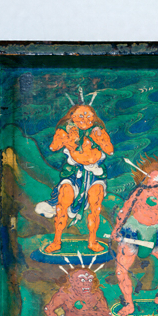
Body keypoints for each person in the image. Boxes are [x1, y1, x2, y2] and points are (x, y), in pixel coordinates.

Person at [110, 156, 158, 313]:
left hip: (157, 233)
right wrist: (117, 229)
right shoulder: (140, 193)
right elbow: (125, 210)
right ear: (148, 182)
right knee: (121, 269)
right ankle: (128, 304)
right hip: (133, 232)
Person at [36, 104, 114, 253]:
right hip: (73, 174)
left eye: (88, 116)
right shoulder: (65, 130)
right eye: (80, 116)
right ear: (72, 117)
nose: (85, 119)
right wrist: (67, 138)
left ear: (94, 117)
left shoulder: (98, 131)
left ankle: (92, 241)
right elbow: (53, 147)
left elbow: (110, 151)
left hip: (95, 174)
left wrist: (100, 139)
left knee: (95, 206)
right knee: (63, 203)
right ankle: (56, 241)